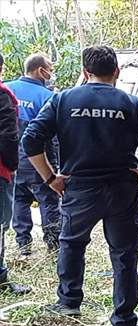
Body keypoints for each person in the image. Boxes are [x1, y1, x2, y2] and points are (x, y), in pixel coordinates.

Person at [21, 46, 138, 326]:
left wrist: (50, 178)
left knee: (72, 244)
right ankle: (124, 320)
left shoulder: (63, 100)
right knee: (125, 255)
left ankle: (69, 301)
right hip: (122, 190)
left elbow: (30, 140)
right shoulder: (131, 103)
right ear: (116, 72)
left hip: (79, 190)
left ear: (85, 72)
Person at [6, 53, 60, 255]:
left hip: (11, 160)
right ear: (40, 71)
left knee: (19, 200)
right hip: (38, 160)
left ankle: (23, 245)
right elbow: (53, 136)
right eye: (50, 70)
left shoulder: (7, 89)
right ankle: (53, 245)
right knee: (49, 200)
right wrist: (54, 165)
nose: (51, 74)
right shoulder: (48, 97)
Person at [0, 52, 30, 295]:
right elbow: (9, 135)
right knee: (0, 224)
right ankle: (0, 277)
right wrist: (12, 166)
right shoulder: (4, 96)